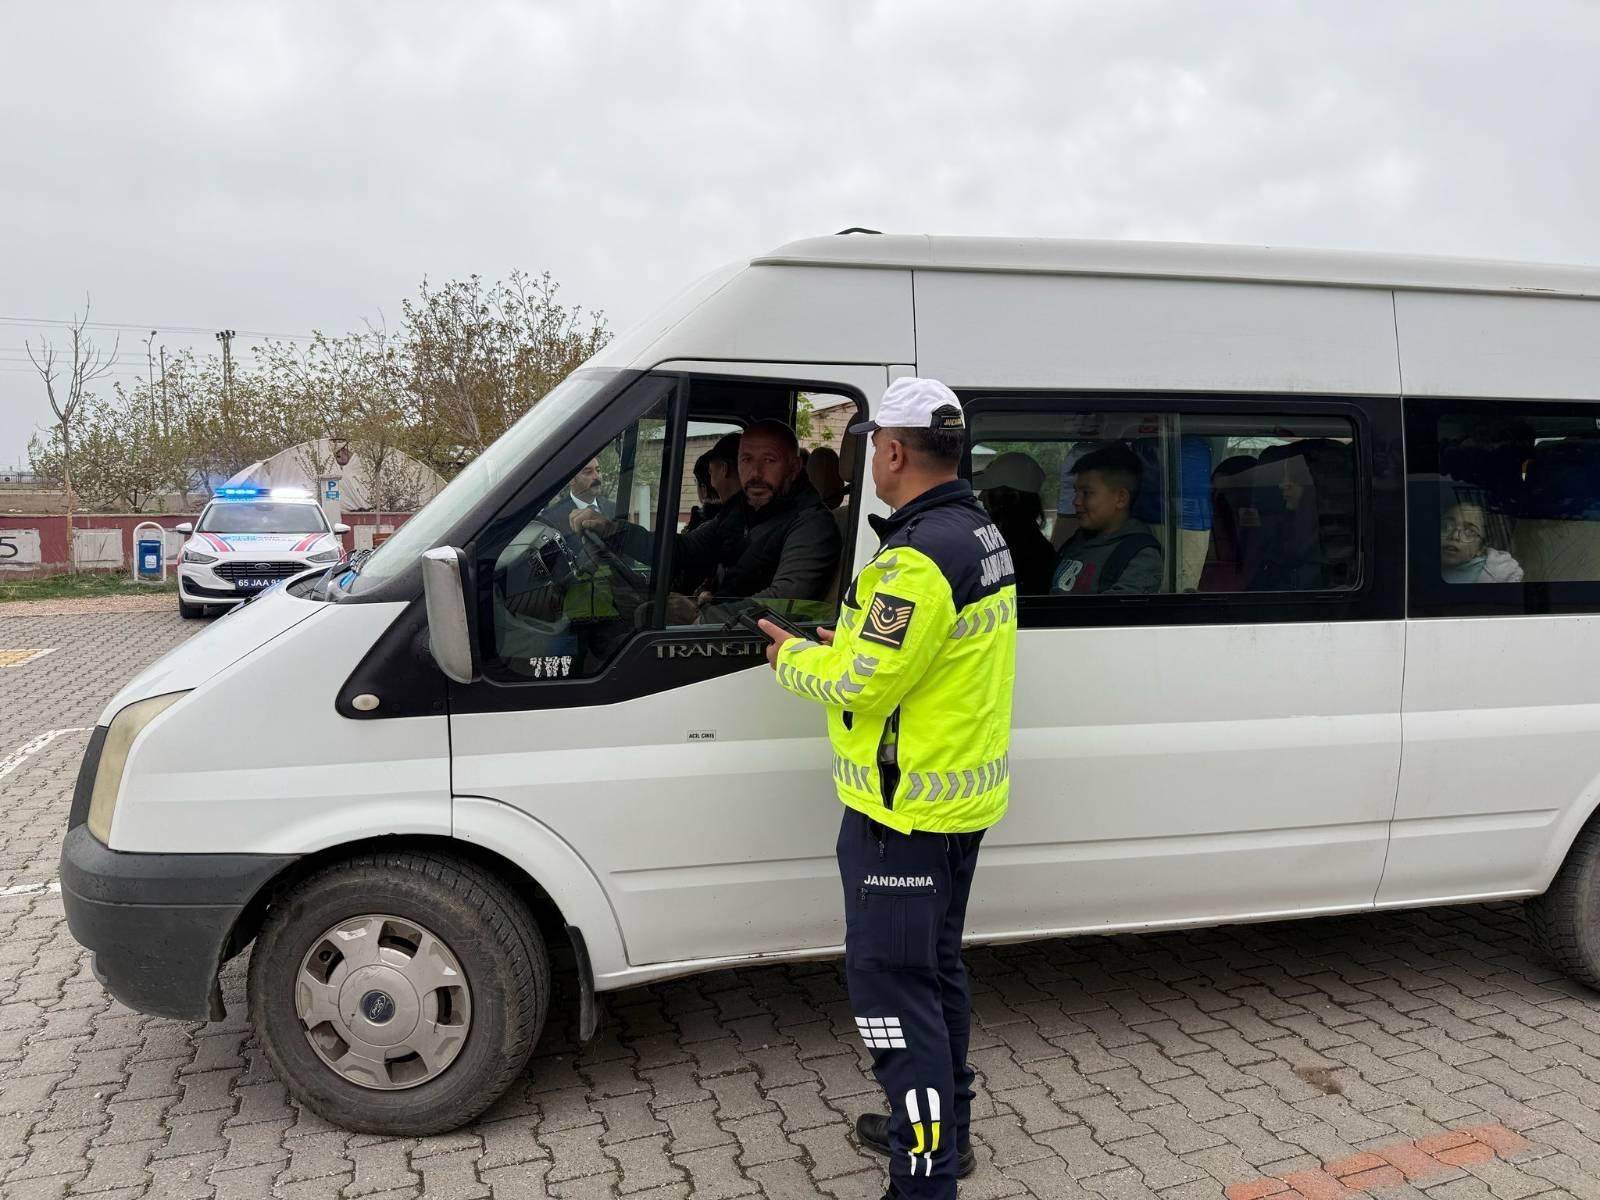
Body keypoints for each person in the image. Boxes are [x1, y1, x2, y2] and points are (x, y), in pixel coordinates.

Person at [757, 377, 1017, 1200]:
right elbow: (911, 659)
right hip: (950, 809)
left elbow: (863, 683)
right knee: (934, 978)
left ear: (894, 452)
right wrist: (856, 643)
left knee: (893, 1009)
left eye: (870, 445)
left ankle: (924, 1178)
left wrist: (792, 657)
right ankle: (945, 1134)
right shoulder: (976, 532)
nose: (867, 458)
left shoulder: (917, 556)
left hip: (900, 820)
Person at [574, 421, 840, 622]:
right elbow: (683, 550)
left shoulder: (812, 525)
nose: (755, 473)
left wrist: (703, 616)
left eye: (769, 460)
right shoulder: (742, 511)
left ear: (794, 469)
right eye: (746, 460)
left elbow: (785, 600)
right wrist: (613, 530)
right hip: (727, 630)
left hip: (754, 650)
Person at [1050, 444, 1162, 594]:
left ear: (1120, 499)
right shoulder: (1077, 542)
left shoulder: (1139, 555)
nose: (1076, 501)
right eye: (1076, 492)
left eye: (1086, 493)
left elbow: (1114, 615)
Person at [972, 451, 1055, 594]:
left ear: (1010, 498)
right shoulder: (1038, 548)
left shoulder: (1028, 555)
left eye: (989, 490)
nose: (980, 497)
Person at [1441, 497, 1523, 583]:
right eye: (1446, 526)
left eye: (1469, 531)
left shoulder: (1502, 576)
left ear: (1481, 548)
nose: (1454, 536)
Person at [541, 458, 611, 533]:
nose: (597, 476)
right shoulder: (551, 519)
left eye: (598, 470)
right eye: (588, 472)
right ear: (571, 480)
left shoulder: (613, 508)